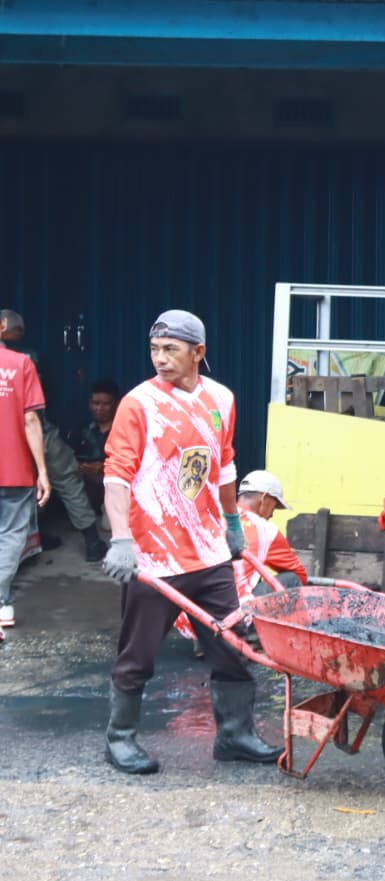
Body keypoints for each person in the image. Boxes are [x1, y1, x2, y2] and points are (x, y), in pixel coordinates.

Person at [100, 309, 282, 775]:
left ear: (198, 352)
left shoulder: (221, 398)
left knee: (232, 646)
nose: (160, 359)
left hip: (208, 552)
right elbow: (116, 476)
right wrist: (121, 538)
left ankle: (235, 735)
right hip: (153, 557)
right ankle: (119, 740)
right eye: (155, 350)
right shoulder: (138, 404)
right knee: (137, 655)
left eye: (171, 350)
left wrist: (231, 523)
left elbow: (223, 467)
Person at [0, 310, 109, 563]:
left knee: (19, 492)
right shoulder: (25, 358)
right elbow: (34, 408)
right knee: (68, 481)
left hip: (8, 438)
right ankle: (91, 541)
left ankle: (31, 540)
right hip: (38, 431)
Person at [177, 470, 308, 653]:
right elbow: (300, 575)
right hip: (231, 620)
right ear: (264, 499)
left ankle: (204, 640)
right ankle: (247, 637)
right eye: (275, 506)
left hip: (189, 620)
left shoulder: (210, 516)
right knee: (291, 580)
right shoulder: (266, 530)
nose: (272, 515)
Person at [0, 333, 52, 629]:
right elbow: (31, 419)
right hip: (14, 468)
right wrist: (42, 470)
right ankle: (1, 601)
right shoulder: (21, 364)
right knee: (9, 536)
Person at [74, 378, 121, 513]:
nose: (100, 408)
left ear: (116, 404)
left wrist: (102, 468)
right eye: (96, 403)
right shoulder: (80, 431)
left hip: (112, 488)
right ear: (90, 403)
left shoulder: (123, 431)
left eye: (106, 404)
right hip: (83, 490)